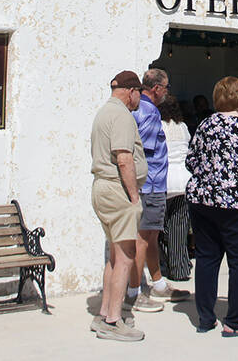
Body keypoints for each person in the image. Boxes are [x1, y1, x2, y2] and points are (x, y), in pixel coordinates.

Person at [184, 76, 238, 336]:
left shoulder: (204, 126)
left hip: (203, 201)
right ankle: (235, 322)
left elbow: (191, 161)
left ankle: (205, 318)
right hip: (237, 204)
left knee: (207, 258)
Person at [89, 70, 148, 342]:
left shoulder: (103, 112)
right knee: (125, 256)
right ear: (131, 91)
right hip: (118, 189)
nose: (139, 98)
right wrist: (134, 196)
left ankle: (103, 314)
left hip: (102, 187)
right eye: (138, 93)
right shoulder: (123, 115)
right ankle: (114, 320)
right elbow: (124, 158)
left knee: (114, 255)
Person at [127, 69, 189, 312]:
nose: (167, 91)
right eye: (166, 86)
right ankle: (134, 292)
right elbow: (142, 150)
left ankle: (158, 283)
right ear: (156, 88)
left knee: (151, 236)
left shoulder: (138, 109)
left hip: (153, 184)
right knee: (143, 238)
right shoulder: (150, 112)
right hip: (150, 184)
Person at [158, 95, 192, 281]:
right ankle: (180, 268)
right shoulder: (183, 127)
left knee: (161, 228)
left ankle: (168, 264)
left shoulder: (159, 126)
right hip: (184, 181)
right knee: (179, 226)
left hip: (164, 180)